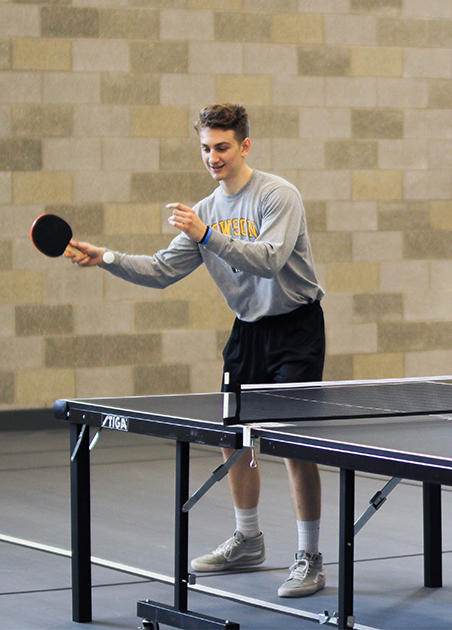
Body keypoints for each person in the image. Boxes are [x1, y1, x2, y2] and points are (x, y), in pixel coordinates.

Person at [69, 103, 328, 599]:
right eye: (206, 148)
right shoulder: (205, 211)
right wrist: (107, 258)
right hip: (247, 330)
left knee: (294, 446)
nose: (213, 157)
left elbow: (270, 260)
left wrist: (206, 234)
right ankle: (248, 538)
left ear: (245, 145)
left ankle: (309, 557)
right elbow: (162, 269)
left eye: (223, 147)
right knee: (232, 438)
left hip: (296, 328)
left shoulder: (278, 195)